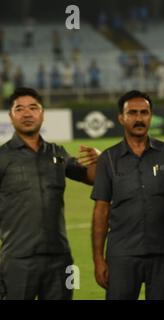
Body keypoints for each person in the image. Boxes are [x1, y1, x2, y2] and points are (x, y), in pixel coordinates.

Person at [0, 87, 99, 300]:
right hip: (17, 260)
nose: (27, 114)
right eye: (20, 109)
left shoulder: (57, 153)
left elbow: (93, 178)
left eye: (33, 108)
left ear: (43, 114)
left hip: (59, 259)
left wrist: (99, 160)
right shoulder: (2, 157)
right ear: (11, 116)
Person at [91, 90, 164, 300]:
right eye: (132, 113)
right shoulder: (109, 159)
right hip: (122, 256)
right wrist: (98, 259)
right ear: (121, 118)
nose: (139, 118)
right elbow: (101, 211)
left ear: (151, 116)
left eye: (144, 112)